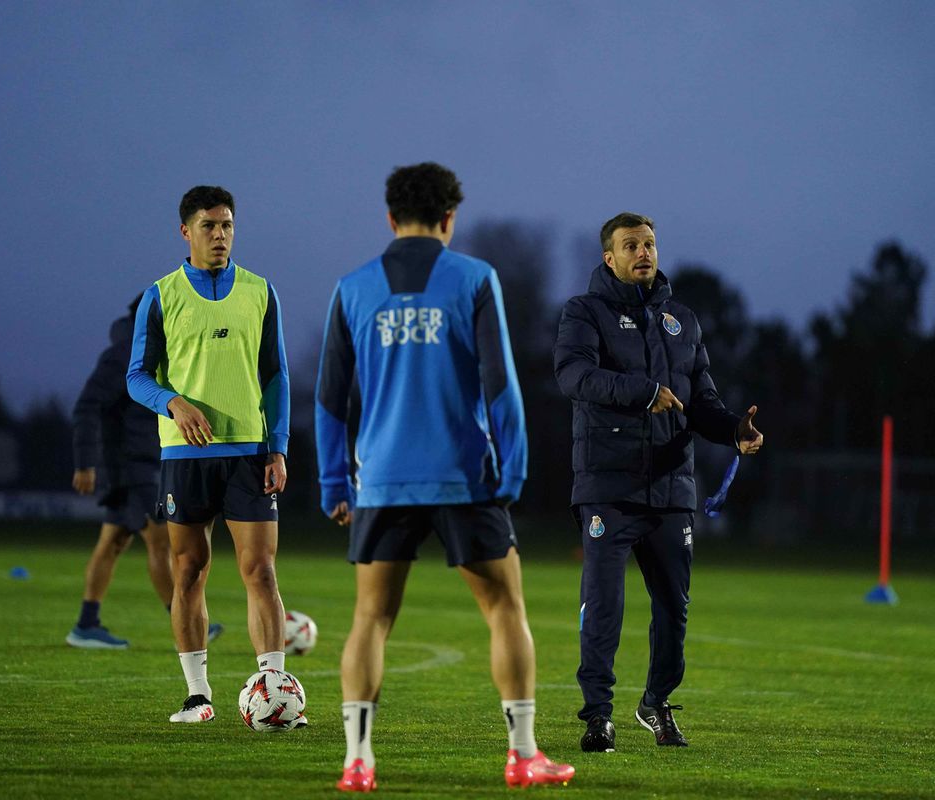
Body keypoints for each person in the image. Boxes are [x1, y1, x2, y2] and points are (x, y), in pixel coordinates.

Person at [316, 162, 575, 791]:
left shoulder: (352, 288)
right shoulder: (474, 278)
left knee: (371, 619)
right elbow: (501, 385)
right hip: (464, 479)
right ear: (450, 218)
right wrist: (512, 467)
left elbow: (329, 398)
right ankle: (522, 756)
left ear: (389, 217)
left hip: (379, 482)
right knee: (504, 606)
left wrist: (333, 484)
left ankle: (358, 761)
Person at [554, 212, 764, 752]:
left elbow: (703, 403)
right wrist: (642, 392)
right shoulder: (584, 313)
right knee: (605, 604)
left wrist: (733, 430)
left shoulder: (683, 321)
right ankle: (597, 715)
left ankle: (656, 702)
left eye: (649, 244)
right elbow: (573, 376)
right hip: (608, 485)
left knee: (674, 607)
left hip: (671, 489)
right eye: (631, 245)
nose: (643, 252)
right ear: (609, 257)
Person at [127, 185, 293, 725]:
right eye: (208, 226)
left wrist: (278, 447)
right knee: (189, 571)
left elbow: (276, 376)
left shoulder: (260, 291)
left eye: (226, 225)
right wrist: (172, 402)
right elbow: (136, 377)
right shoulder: (161, 295)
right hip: (185, 455)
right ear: (185, 231)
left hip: (249, 452)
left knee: (260, 570)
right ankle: (198, 696)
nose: (219, 235)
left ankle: (273, 691)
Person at [67, 294, 223, 649]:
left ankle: (86, 624)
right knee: (160, 538)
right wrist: (85, 462)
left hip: (138, 460)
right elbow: (87, 405)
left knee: (113, 540)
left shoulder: (155, 351)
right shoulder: (122, 354)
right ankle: (182, 618)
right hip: (127, 464)